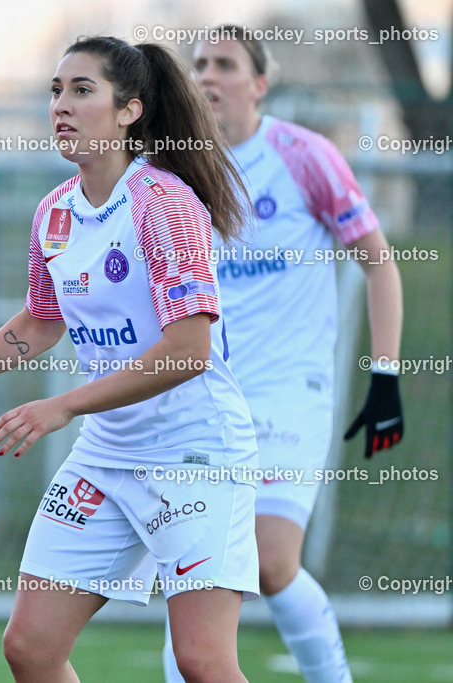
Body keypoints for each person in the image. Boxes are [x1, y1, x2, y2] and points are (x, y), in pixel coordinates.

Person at [0, 36, 261, 683]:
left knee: (203, 661)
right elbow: (40, 321)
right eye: (55, 91)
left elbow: (189, 351)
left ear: (130, 110)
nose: (61, 106)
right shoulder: (55, 213)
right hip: (107, 455)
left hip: (194, 454)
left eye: (82, 90)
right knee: (31, 646)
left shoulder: (163, 203)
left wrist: (61, 404)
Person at [162, 26, 404, 683]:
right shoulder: (174, 174)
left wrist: (385, 378)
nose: (207, 75)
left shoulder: (304, 155)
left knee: (269, 563)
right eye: (199, 64)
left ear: (259, 84)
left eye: (225, 64)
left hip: (289, 393)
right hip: (204, 395)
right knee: (196, 568)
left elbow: (379, 263)